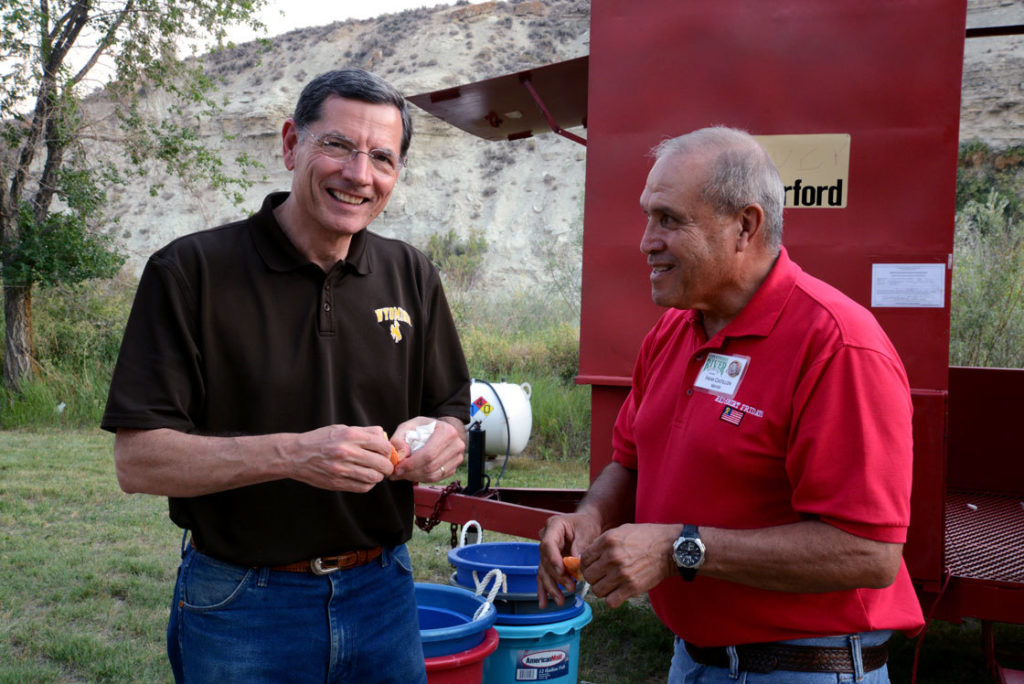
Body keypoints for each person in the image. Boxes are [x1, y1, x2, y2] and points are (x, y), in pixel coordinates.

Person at [102, 69, 470, 683]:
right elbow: (138, 461)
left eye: (382, 156)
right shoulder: (191, 272)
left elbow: (452, 410)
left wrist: (441, 439)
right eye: (337, 146)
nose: (359, 174)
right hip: (242, 603)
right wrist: (294, 455)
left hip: (385, 593)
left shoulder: (412, 274)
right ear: (291, 144)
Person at [537, 127, 924, 682]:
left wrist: (680, 548)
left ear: (745, 226)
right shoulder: (673, 332)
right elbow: (630, 463)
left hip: (807, 668)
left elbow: (868, 553)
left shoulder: (837, 345)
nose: (646, 240)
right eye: (648, 217)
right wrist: (590, 517)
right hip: (694, 660)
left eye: (669, 219)